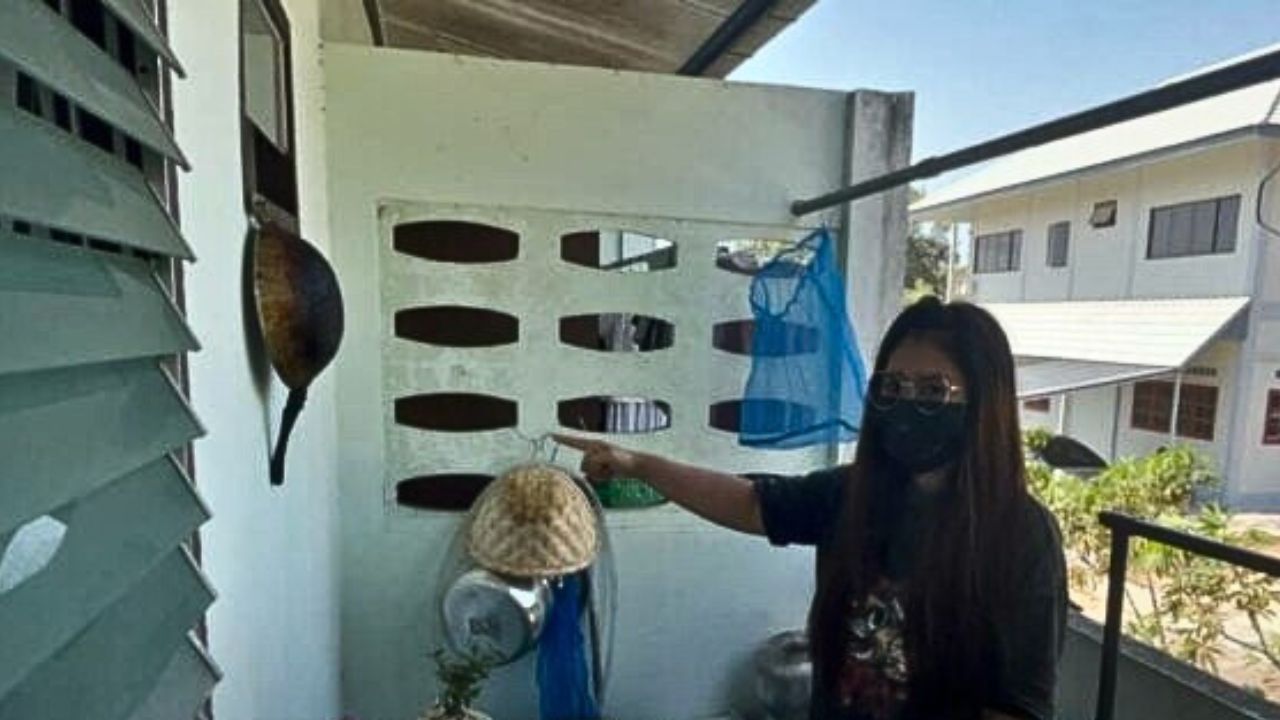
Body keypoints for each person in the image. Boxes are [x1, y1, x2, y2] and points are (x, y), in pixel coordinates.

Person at [555, 297, 1067, 720]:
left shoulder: (1021, 536)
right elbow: (750, 503)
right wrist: (639, 463)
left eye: (934, 390)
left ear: (984, 404)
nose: (908, 404)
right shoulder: (856, 496)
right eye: (892, 386)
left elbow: (1017, 707)